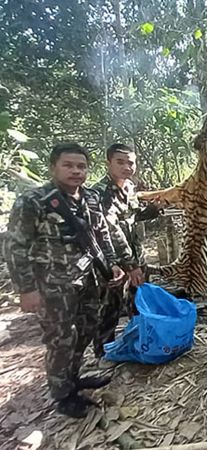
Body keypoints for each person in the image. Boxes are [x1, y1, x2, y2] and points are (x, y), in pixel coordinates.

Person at [3, 143, 125, 418]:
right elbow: (15, 247)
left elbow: (101, 234)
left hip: (89, 280)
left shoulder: (91, 198)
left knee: (85, 330)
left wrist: (113, 264)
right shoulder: (33, 201)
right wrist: (26, 289)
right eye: (68, 165)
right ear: (53, 167)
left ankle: (74, 378)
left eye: (81, 166)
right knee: (61, 339)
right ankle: (63, 395)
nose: (76, 171)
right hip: (51, 285)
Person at [91, 143, 162, 358]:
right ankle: (103, 353)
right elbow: (111, 230)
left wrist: (152, 211)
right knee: (110, 306)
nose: (126, 167)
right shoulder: (99, 193)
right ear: (108, 163)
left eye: (130, 162)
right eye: (120, 162)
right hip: (111, 260)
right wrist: (130, 266)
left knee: (138, 299)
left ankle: (142, 340)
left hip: (134, 253)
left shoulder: (129, 187)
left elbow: (131, 216)